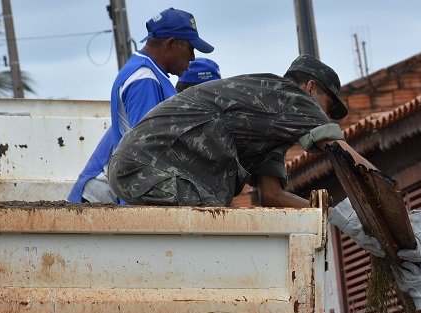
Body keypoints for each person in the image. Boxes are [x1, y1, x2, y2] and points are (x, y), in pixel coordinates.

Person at [108, 55, 374, 208]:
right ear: (311, 87)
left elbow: (272, 195)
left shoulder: (269, 129)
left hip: (136, 170)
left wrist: (328, 214)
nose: (323, 116)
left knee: (214, 212)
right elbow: (341, 151)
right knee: (213, 217)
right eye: (326, 107)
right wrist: (379, 186)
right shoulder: (289, 96)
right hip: (144, 168)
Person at [68, 7, 213, 204]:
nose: (193, 57)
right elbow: (148, 148)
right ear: (171, 44)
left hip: (119, 190)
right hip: (103, 199)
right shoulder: (144, 79)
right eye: (190, 48)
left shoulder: (149, 73)